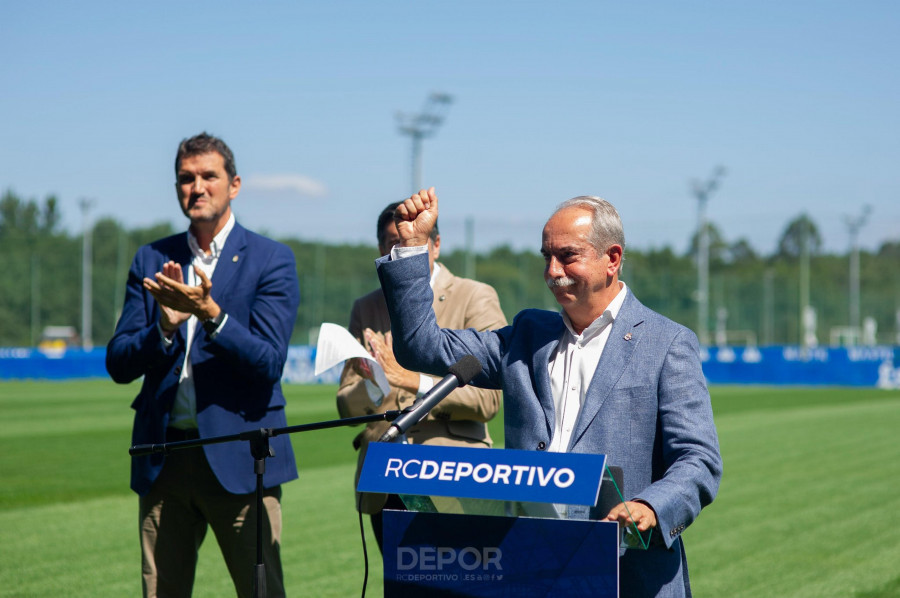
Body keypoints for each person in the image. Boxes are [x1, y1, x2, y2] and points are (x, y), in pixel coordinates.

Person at [375, 187, 722, 598]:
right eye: (547, 257)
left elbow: (698, 459)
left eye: (567, 256)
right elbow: (420, 346)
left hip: (627, 574)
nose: (552, 271)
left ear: (611, 259)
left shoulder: (667, 343)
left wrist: (650, 506)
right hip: (531, 565)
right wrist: (413, 247)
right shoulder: (526, 335)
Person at [106, 132, 300, 598]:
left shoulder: (271, 259)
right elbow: (118, 361)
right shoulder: (152, 258)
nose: (197, 187)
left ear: (234, 185)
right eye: (185, 178)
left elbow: (268, 362)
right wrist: (165, 330)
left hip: (240, 457)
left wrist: (211, 314)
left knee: (262, 593)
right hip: (164, 460)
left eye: (208, 176)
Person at [336, 201, 507, 552]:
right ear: (381, 249)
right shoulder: (365, 307)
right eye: (391, 243)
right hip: (384, 479)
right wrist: (375, 380)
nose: (399, 249)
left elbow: (490, 399)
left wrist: (414, 381)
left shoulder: (475, 296)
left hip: (453, 476)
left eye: (410, 240)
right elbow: (347, 409)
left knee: (459, 588)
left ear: (436, 243)